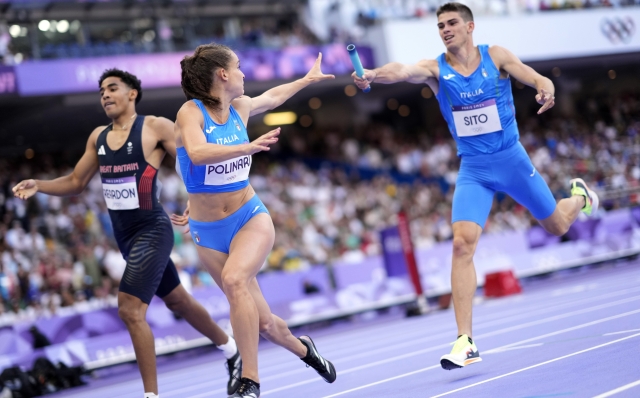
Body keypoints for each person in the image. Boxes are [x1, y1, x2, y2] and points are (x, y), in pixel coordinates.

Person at [352, 2, 599, 370]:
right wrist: (373, 73)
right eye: (440, 25)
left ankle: (579, 197)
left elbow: (533, 77)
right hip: (475, 170)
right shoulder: (436, 69)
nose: (445, 29)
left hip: (512, 161)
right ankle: (465, 341)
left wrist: (545, 88)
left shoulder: (495, 56)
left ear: (470, 27)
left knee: (558, 225)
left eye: (452, 23)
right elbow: (402, 70)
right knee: (461, 243)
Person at [12, 69, 242, 397]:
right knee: (179, 301)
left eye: (112, 88)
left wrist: (195, 198)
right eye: (101, 91)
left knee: (130, 309)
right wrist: (40, 185)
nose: (105, 95)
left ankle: (150, 395)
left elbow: (193, 162)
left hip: (153, 229)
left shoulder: (154, 127)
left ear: (132, 93)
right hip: (125, 238)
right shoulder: (98, 137)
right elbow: (76, 183)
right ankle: (232, 350)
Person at [172, 43, 337, 397]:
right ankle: (305, 350)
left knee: (235, 281)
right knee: (264, 324)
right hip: (207, 231)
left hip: (249, 216)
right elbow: (198, 154)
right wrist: (247, 147)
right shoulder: (191, 112)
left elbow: (274, 96)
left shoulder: (241, 108)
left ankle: (250, 380)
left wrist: (306, 80)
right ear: (222, 75)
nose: (244, 73)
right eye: (239, 66)